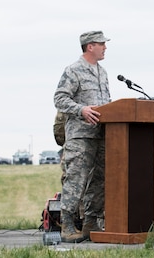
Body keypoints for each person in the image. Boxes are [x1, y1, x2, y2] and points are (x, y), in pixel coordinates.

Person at [53, 31, 111, 243]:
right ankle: (67, 224)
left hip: (102, 135)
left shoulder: (103, 72)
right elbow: (59, 98)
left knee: (100, 180)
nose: (105, 48)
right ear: (90, 46)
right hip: (80, 136)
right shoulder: (73, 70)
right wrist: (81, 110)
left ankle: (91, 222)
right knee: (76, 179)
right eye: (102, 44)